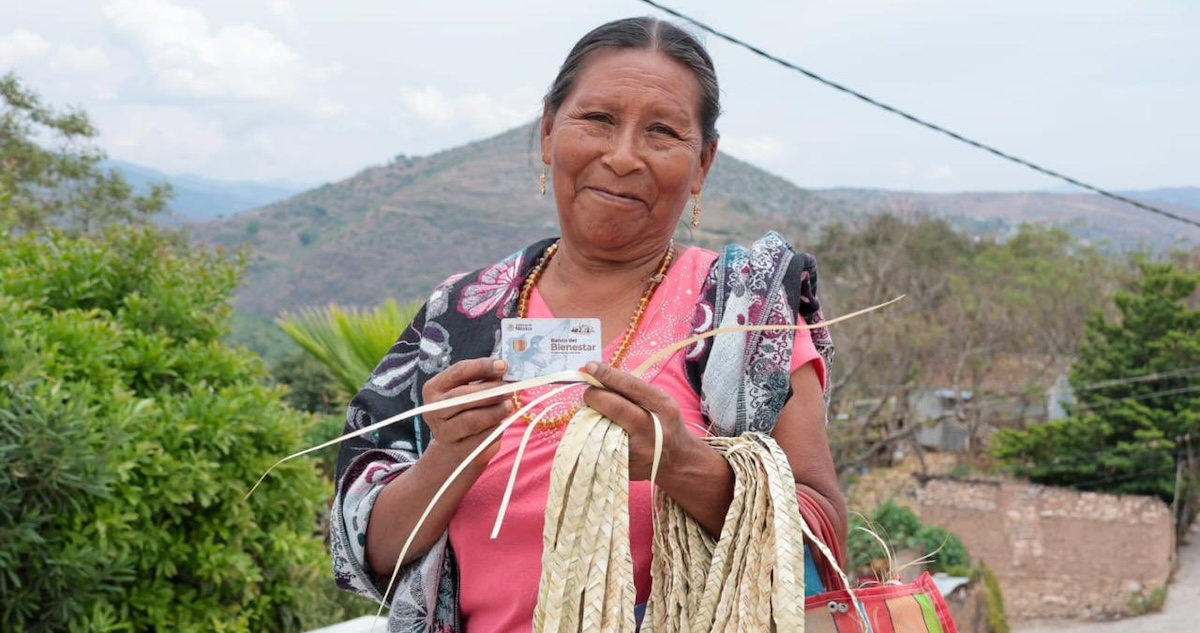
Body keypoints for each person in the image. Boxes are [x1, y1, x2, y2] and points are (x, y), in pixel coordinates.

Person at [330, 16, 846, 632]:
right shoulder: (460, 314)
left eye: (662, 132)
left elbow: (823, 547)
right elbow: (371, 554)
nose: (622, 156)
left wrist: (682, 463)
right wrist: (447, 457)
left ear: (702, 164)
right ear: (549, 132)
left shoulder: (748, 315)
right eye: (597, 119)